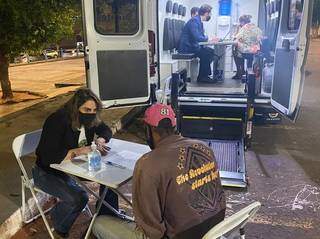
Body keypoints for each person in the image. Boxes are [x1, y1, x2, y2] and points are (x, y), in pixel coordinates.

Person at [92, 103, 226, 239]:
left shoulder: (147, 163)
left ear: (149, 129)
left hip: (179, 236)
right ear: (174, 126)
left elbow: (151, 228)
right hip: (214, 229)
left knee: (98, 223)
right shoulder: (203, 147)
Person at [32, 88, 117, 238]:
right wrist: (78, 151)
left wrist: (100, 140)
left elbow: (105, 130)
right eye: (86, 109)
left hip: (72, 170)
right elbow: (47, 156)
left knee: (110, 178)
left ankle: (106, 220)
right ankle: (60, 226)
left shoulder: (90, 119)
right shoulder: (57, 120)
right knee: (80, 198)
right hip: (47, 172)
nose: (91, 113)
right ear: (75, 107)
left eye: (94, 110)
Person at [179, 4, 218, 83]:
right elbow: (198, 37)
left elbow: (201, 36)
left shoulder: (199, 21)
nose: (210, 15)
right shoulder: (194, 21)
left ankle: (205, 75)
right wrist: (209, 39)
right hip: (187, 48)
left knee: (211, 51)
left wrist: (209, 39)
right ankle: (202, 77)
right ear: (206, 13)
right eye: (210, 13)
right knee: (206, 53)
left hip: (192, 46)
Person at [232, 15, 263, 79]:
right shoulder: (256, 28)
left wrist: (237, 29)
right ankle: (248, 71)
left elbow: (236, 38)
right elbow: (261, 38)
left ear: (242, 22)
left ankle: (239, 72)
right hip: (255, 51)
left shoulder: (243, 28)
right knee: (249, 56)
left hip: (245, 52)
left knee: (235, 52)